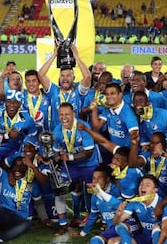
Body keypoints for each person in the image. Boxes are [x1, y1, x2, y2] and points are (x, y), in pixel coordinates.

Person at [52, 103, 100, 232]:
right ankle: (64, 222)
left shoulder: (83, 127)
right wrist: (55, 157)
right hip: (71, 165)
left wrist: (69, 157)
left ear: (73, 114)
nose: (64, 117)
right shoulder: (57, 131)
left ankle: (90, 216)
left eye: (67, 114)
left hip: (89, 164)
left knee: (90, 189)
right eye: (61, 114)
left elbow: (88, 152)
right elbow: (56, 153)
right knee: (59, 188)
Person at [91, 175, 167, 244]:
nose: (143, 187)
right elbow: (116, 224)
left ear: (155, 190)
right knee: (113, 241)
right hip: (143, 237)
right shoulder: (135, 202)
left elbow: (165, 230)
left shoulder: (163, 205)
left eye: (147, 185)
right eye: (141, 185)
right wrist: (117, 214)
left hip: (160, 238)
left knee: (156, 228)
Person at [0, 144, 35, 244]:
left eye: (21, 166)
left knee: (27, 224)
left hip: (17, 220)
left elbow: (39, 201)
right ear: (11, 167)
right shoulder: (5, 176)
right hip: (2, 214)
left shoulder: (31, 183)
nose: (18, 169)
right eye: (16, 166)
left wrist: (44, 218)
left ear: (27, 169)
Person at [38, 43, 91, 129]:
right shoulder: (54, 91)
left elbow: (88, 77)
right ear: (59, 78)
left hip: (75, 133)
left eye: (68, 75)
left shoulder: (78, 92)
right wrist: (54, 55)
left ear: (73, 78)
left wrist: (76, 57)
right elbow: (41, 74)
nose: (65, 78)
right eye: (62, 75)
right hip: (56, 134)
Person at [0, 89, 37, 165]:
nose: (11, 105)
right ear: (5, 102)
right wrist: (7, 136)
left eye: (15, 102)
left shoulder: (27, 119)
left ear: (20, 104)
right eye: (9, 101)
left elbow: (32, 139)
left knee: (17, 164)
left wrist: (23, 149)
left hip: (16, 148)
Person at [69, 165, 122, 238]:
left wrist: (100, 192)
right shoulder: (94, 197)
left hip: (125, 227)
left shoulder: (117, 190)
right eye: (94, 178)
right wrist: (82, 233)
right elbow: (92, 216)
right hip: (112, 230)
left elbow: (119, 206)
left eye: (99, 178)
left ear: (107, 179)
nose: (95, 181)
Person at [91, 83, 139, 148]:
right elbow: (96, 127)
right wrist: (94, 110)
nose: (109, 97)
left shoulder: (128, 114)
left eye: (112, 94)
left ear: (120, 95)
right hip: (115, 150)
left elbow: (135, 135)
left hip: (126, 152)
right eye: (107, 94)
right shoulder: (108, 109)